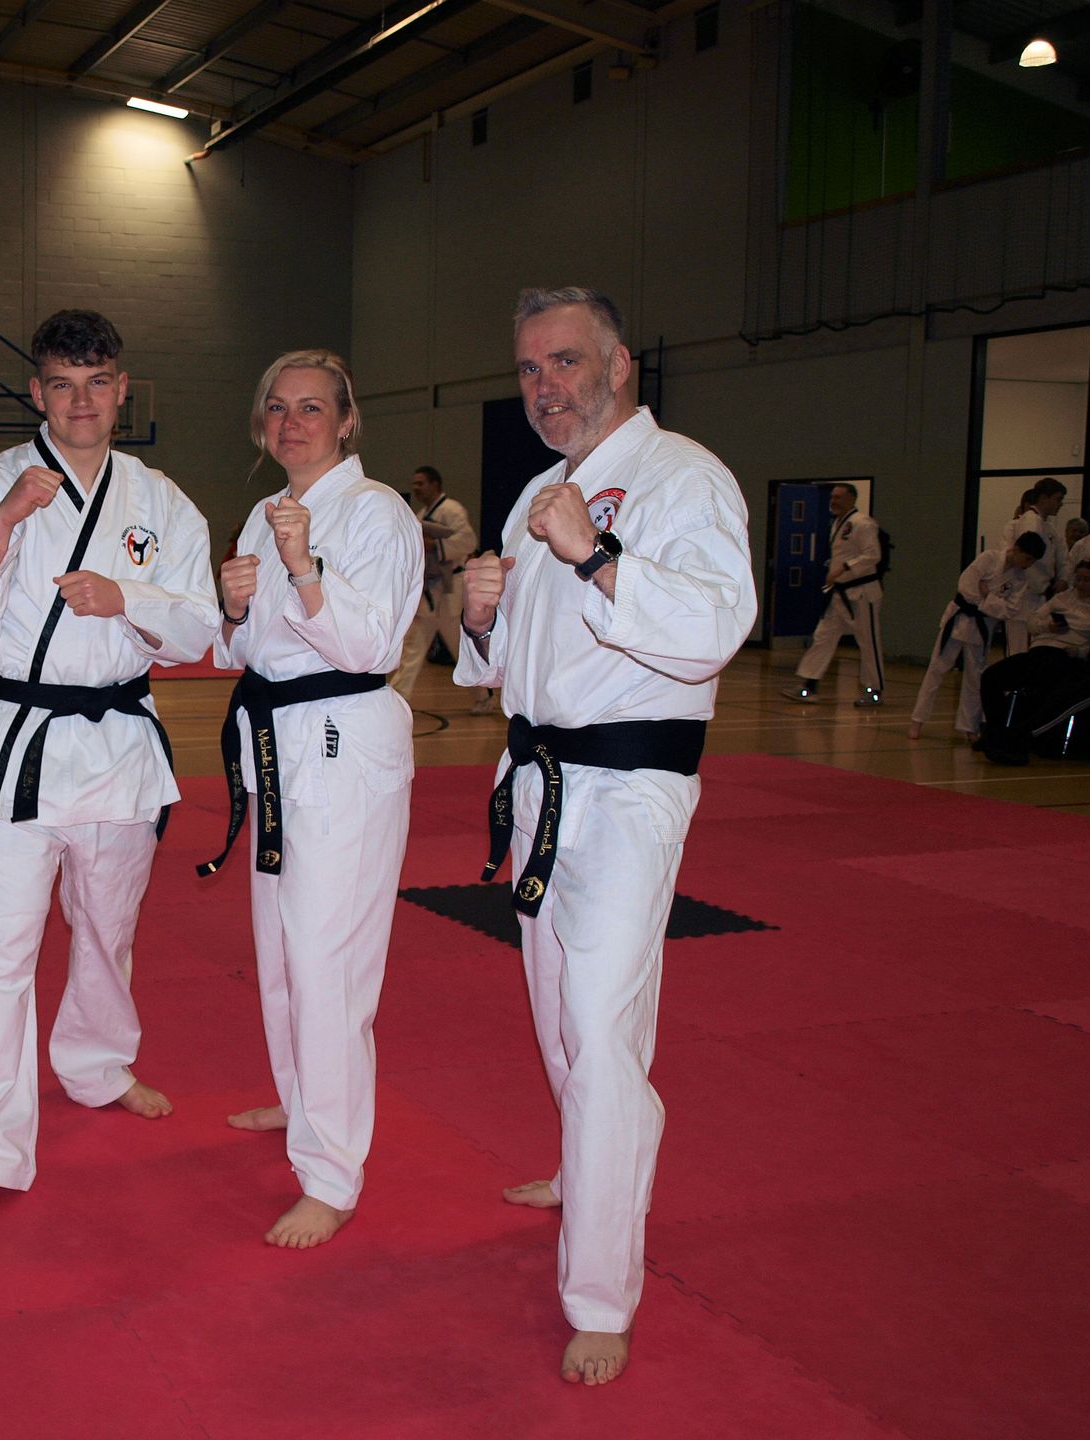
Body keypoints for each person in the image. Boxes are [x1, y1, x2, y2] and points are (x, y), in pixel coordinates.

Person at [455, 288, 755, 1385]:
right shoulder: (541, 489)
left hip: (630, 790)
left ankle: (601, 1291)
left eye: (568, 362)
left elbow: (717, 628)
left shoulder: (686, 478)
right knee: (554, 1009)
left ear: (621, 364)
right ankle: (590, 1167)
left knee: (601, 1018)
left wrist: (594, 558)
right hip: (539, 782)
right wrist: (482, 620)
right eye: (531, 369)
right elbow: (511, 674)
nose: (547, 386)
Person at [0, 310, 219, 1239]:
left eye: (97, 383)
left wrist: (126, 596)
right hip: (20, 739)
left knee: (107, 926)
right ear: (35, 391)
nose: (79, 401)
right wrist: (3, 528)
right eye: (60, 383)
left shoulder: (162, 502)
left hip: (121, 744)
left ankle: (95, 1063)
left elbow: (201, 627)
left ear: (123, 388)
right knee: (0, 945)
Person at [204, 350, 420, 1251]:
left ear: (346, 420)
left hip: (343, 747)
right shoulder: (262, 513)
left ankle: (332, 1172)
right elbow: (240, 653)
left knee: (330, 967)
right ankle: (302, 1103)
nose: (293, 424)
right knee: (284, 952)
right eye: (278, 410)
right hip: (276, 748)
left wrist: (303, 572)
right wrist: (227, 606)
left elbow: (370, 645)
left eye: (312, 409)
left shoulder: (380, 516)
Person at [907, 533, 1041, 740]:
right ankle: (918, 719)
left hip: (983, 626)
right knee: (937, 668)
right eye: (1027, 558)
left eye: (1032, 561)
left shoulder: (1020, 579)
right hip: (959, 617)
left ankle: (969, 726)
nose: (1028, 564)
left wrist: (988, 597)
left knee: (974, 677)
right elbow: (966, 587)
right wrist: (990, 603)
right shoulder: (989, 558)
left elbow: (1010, 611)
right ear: (1016, 549)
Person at [978, 558, 1090, 763]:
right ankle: (995, 731)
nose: (1080, 584)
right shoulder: (1062, 598)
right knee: (991, 677)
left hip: (1066, 656)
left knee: (1053, 690)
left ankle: (1015, 739)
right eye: (1078, 579)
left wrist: (1079, 651)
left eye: (1087, 580)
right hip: (1041, 650)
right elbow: (1033, 622)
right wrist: (1048, 627)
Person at [782, 484, 884, 705]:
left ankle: (874, 690)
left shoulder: (862, 523)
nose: (833, 501)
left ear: (851, 499)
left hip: (862, 593)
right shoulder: (839, 523)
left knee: (868, 641)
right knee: (823, 636)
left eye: (838, 497)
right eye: (832, 497)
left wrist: (845, 567)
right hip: (839, 592)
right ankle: (809, 685)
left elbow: (873, 555)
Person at [390, 465, 477, 701]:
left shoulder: (451, 509)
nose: (416, 488)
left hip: (451, 587)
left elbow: (468, 541)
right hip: (430, 589)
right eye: (414, 484)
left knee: (461, 648)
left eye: (421, 483)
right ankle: (398, 696)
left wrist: (432, 545)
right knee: (414, 645)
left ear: (435, 484)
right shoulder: (420, 515)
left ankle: (485, 695)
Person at [1000, 480, 1070, 653]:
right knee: (1018, 649)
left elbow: (1064, 560)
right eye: (1058, 499)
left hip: (1041, 594)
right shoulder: (1025, 523)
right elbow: (1020, 560)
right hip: (1023, 593)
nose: (1060, 504)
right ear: (1043, 498)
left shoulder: (1049, 528)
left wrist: (1062, 579)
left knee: (1034, 647)